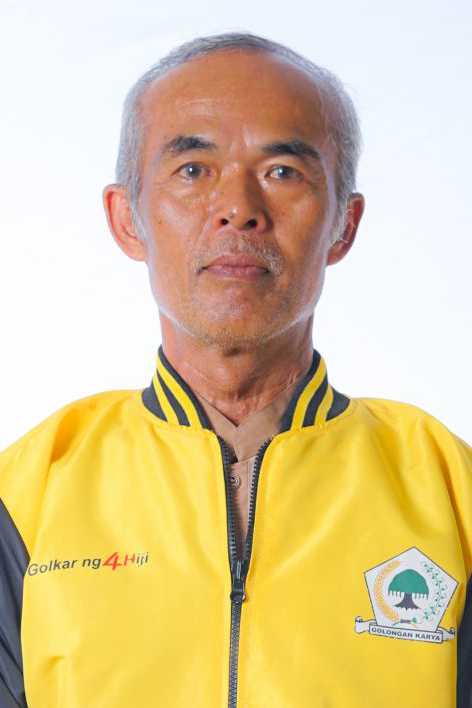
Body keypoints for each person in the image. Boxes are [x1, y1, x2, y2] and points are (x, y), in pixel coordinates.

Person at [0, 31, 470, 708]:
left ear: (344, 224)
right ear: (127, 220)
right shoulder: (27, 493)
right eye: (193, 170)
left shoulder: (449, 489)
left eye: (283, 172)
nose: (238, 208)